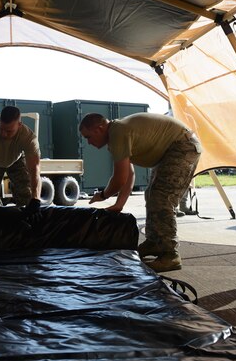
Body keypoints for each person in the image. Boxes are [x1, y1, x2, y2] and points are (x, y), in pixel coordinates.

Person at [79, 112, 201, 272]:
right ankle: (155, 242)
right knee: (151, 195)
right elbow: (129, 174)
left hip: (183, 146)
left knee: (162, 199)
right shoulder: (116, 134)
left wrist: (104, 195)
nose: (88, 142)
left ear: (100, 128)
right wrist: (119, 204)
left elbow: (119, 178)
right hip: (172, 149)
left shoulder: (118, 132)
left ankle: (170, 255)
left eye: (88, 136)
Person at [0, 106, 42, 217]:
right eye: (1, 129)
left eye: (9, 131)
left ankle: (25, 227)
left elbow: (35, 169)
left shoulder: (28, 137)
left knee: (28, 198)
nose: (4, 134)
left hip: (17, 162)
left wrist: (36, 199)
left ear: (19, 125)